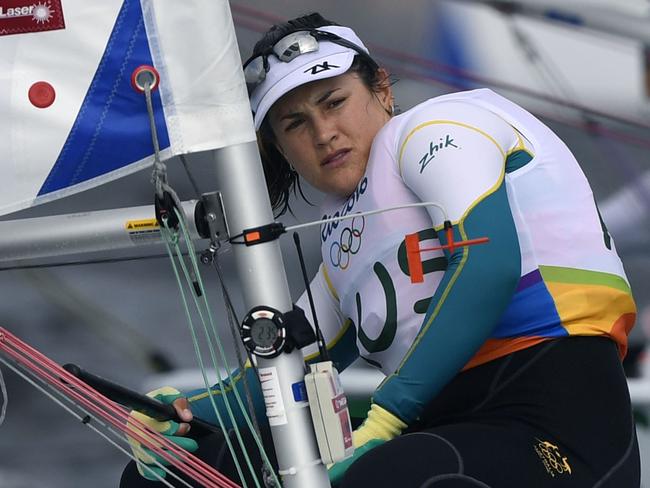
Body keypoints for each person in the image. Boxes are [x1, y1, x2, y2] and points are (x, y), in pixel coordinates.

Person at [123, 12, 640, 488]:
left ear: (382, 89)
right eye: (295, 123)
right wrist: (178, 412)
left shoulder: (437, 129)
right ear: (277, 148)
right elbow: (282, 371)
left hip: (557, 427)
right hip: (447, 435)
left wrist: (387, 417)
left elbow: (489, 263)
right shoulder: (344, 246)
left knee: (386, 476)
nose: (324, 133)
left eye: (334, 102)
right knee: (172, 473)